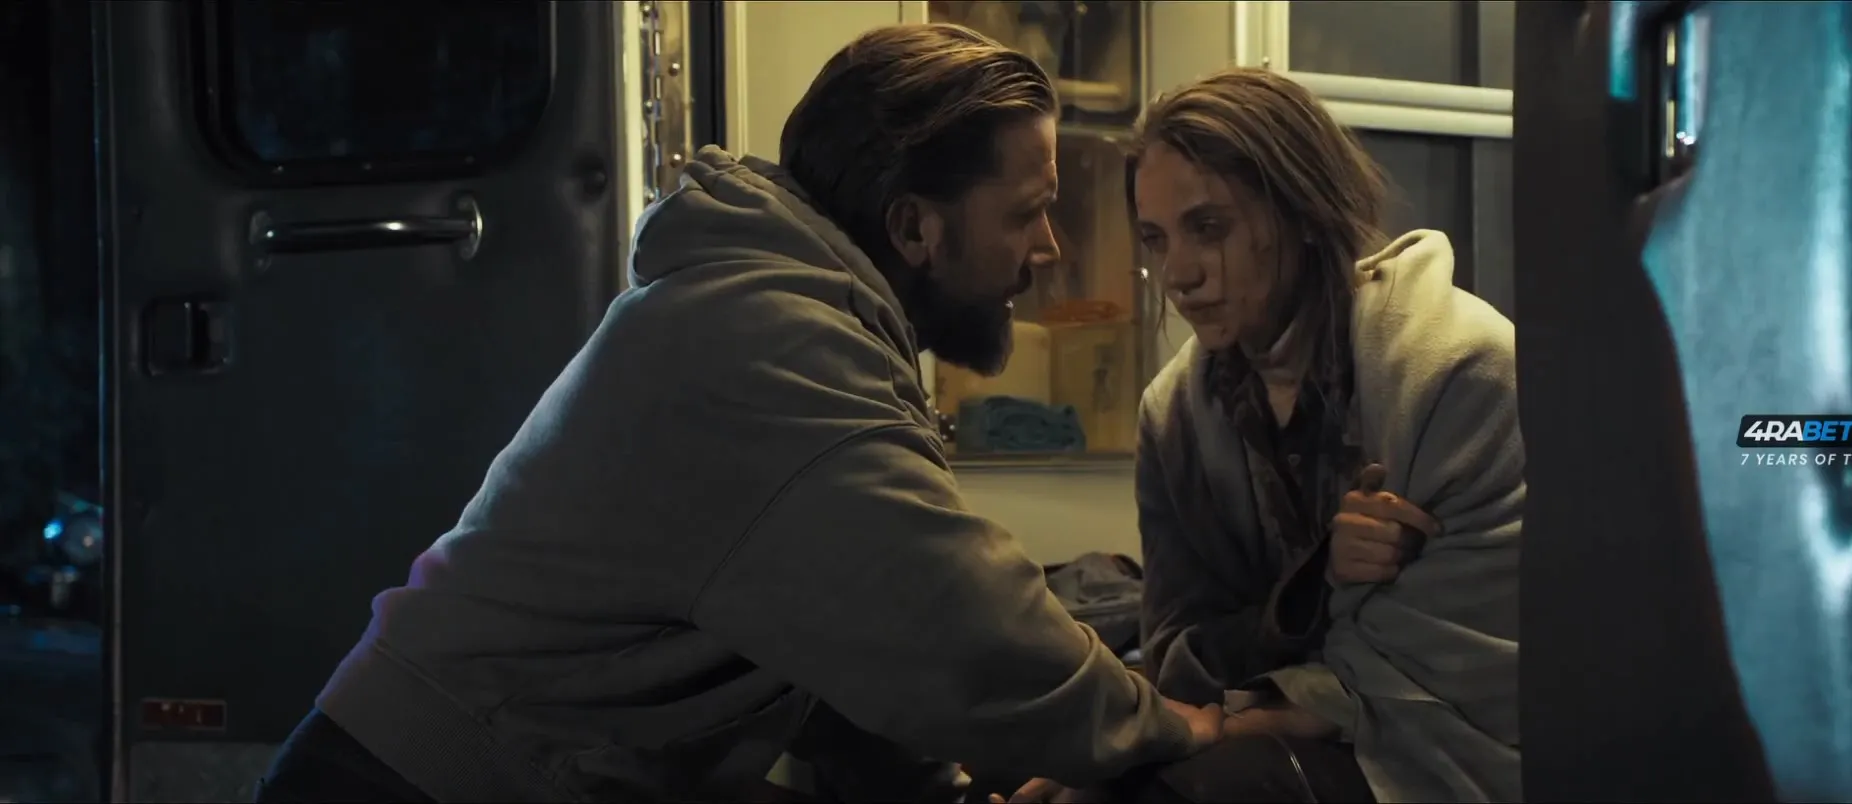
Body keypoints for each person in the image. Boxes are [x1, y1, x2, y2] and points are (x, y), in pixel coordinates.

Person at [253, 23, 1226, 804]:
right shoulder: (773, 346)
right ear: (913, 227)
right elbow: (966, 629)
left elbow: (843, 640)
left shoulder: (784, 318)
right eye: (1025, 212)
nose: (1049, 247)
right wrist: (1171, 728)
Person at [1004, 69, 1524, 804]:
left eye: (1208, 228)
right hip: (1268, 723)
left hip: (1437, 754)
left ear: (1302, 211)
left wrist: (1179, 736)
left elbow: (1454, 666)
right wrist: (1311, 589)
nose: (1177, 274)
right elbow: (1177, 651)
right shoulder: (1175, 415)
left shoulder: (1458, 372)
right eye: (1156, 239)